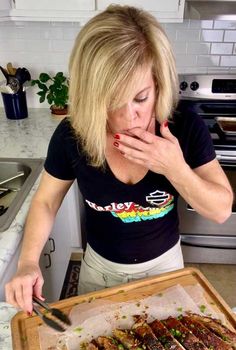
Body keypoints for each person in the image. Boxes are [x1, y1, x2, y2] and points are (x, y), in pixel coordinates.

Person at [5, 5, 233, 314]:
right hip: (99, 273)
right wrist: (28, 262)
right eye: (112, 101)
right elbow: (46, 201)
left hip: (165, 271)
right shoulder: (74, 135)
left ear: (159, 85)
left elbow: (220, 210)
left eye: (141, 98)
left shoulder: (185, 126)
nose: (129, 117)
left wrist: (174, 167)